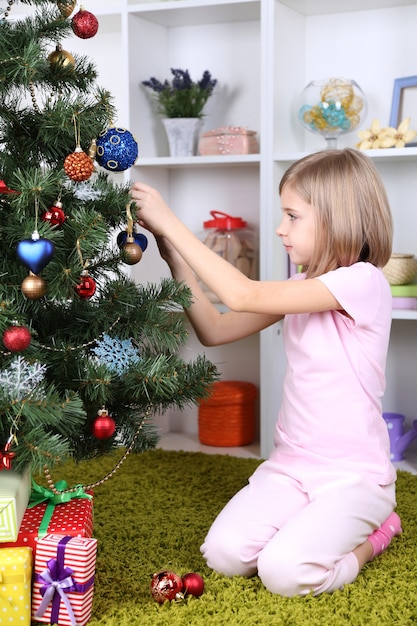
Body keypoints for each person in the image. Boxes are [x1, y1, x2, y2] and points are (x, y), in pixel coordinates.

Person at [130, 148, 402, 597]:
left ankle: (376, 535)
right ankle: (310, 522)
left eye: (293, 216)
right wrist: (175, 257)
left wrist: (170, 220)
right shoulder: (299, 287)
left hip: (353, 477)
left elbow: (241, 294)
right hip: (291, 469)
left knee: (284, 573)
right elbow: (214, 330)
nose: (280, 229)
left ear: (338, 219)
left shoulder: (363, 282)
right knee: (223, 555)